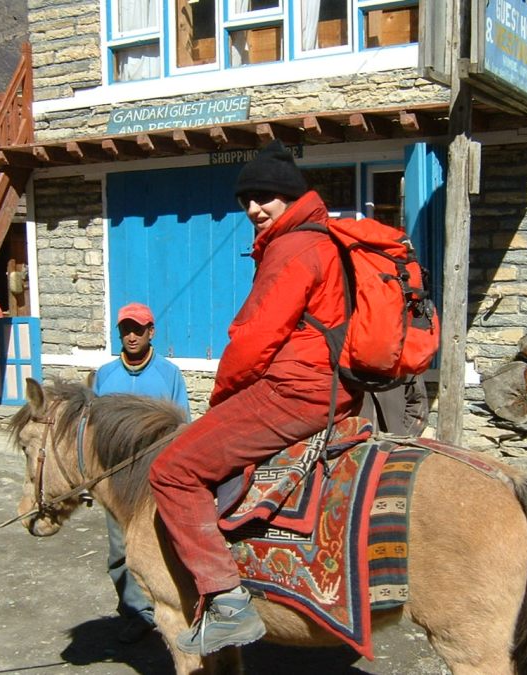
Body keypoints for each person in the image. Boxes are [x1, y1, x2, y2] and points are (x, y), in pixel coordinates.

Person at [148, 140, 362, 655]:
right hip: (328, 387)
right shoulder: (319, 238)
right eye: (247, 199)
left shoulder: (293, 248)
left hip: (294, 389)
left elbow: (254, 340)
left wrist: (221, 400)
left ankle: (227, 602)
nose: (253, 208)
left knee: (171, 470)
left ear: (291, 196)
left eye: (265, 196)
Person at [93, 302, 190, 643]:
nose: (131, 336)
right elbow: (90, 431)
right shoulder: (105, 375)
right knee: (120, 550)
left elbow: (182, 426)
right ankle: (136, 612)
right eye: (126, 329)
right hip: (115, 480)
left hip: (155, 478)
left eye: (138, 329)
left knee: (162, 544)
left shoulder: (168, 374)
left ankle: (174, 605)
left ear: (152, 332)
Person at [360, 377, 429, 436]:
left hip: (394, 442)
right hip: (356, 440)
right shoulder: (351, 364)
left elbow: (418, 401)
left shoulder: (406, 363)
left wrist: (405, 435)